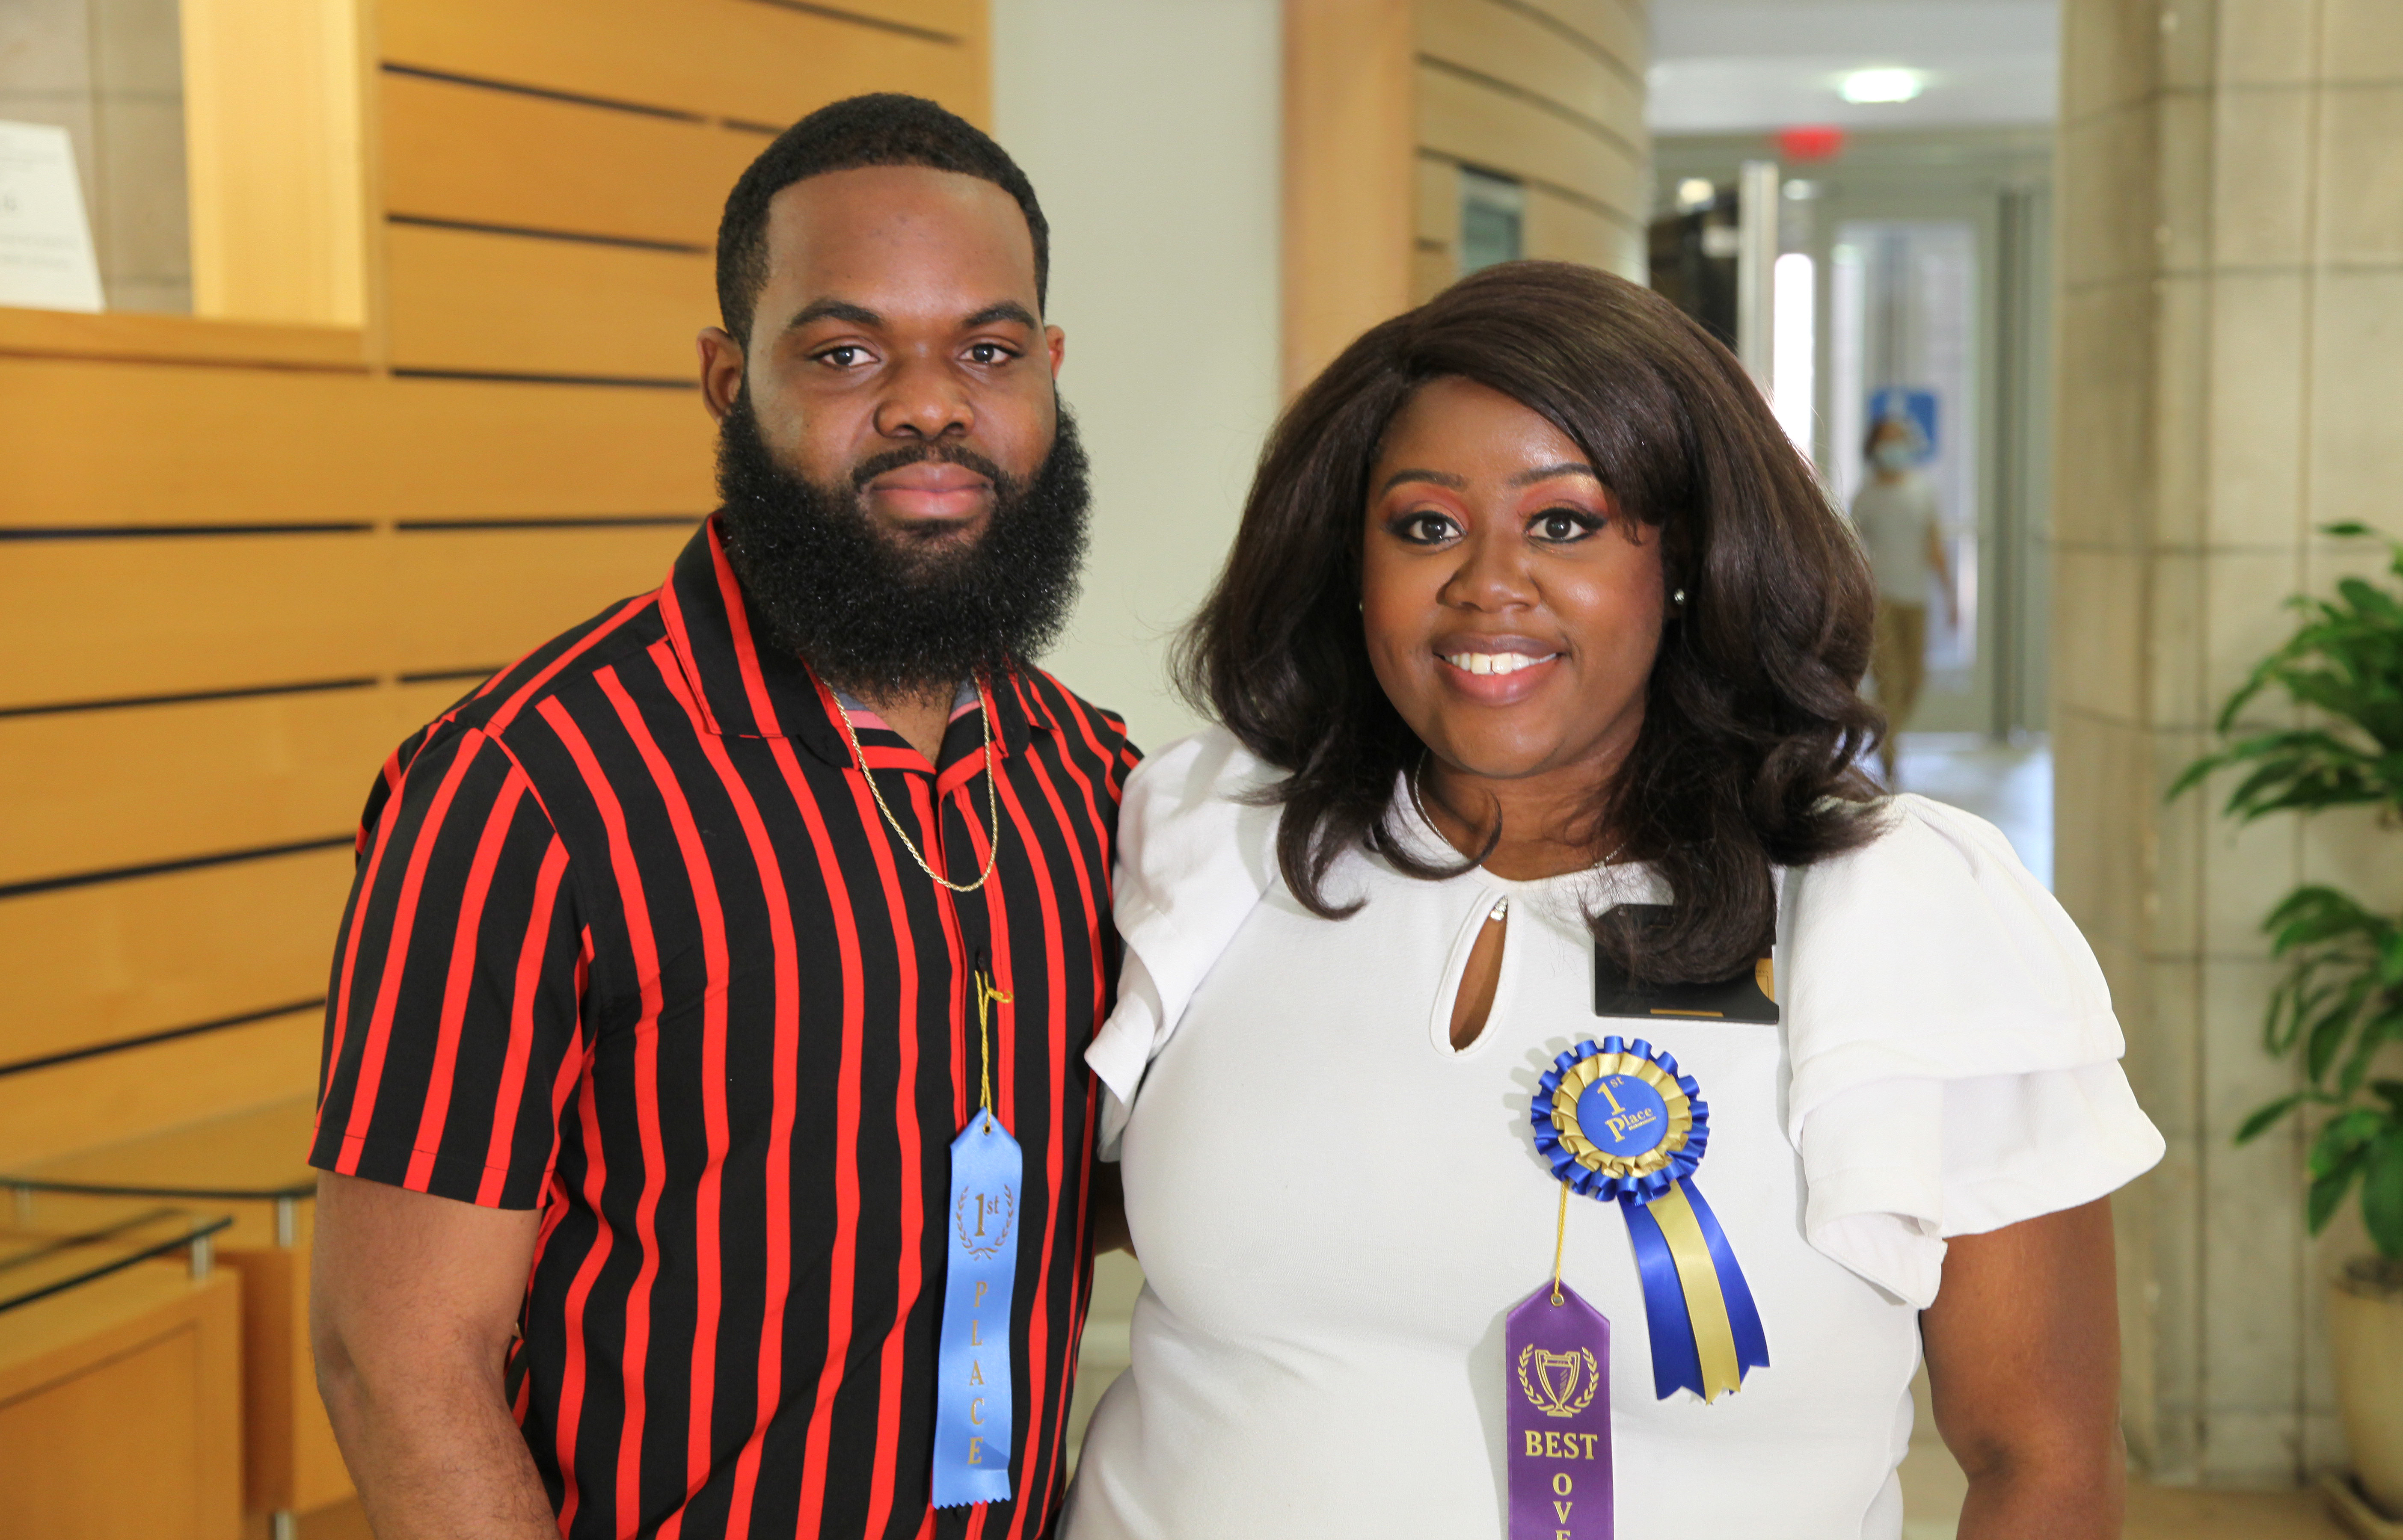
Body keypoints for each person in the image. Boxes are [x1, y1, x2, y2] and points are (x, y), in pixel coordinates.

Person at [1062, 262, 2161, 1540]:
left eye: (1565, 523)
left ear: (1684, 560)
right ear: (1350, 565)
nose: (1488, 582)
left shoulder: (1896, 911)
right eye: (1424, 525)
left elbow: (2043, 1458)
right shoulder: (1218, 839)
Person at [308, 94, 1139, 1540]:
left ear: (1048, 374)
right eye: (844, 352)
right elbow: (397, 1360)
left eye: (987, 351)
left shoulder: (1093, 781)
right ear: (724, 374)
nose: (929, 403)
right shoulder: (529, 786)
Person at [1850, 415, 1955, 783]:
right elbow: (1852, 550)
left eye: (1900, 438)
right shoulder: (1866, 497)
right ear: (1874, 447)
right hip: (1882, 602)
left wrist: (1951, 596)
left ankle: (1885, 734)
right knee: (1890, 682)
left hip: (1917, 599)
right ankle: (1889, 754)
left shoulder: (1922, 490)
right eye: (1887, 439)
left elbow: (1935, 544)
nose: (1894, 447)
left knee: (1914, 681)